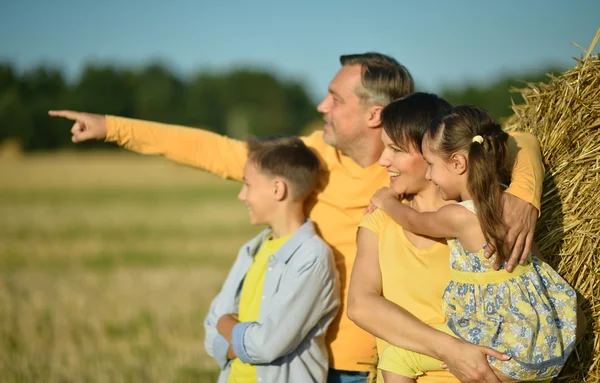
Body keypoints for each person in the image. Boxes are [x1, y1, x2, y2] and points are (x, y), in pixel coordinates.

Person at [48, 52, 545, 382]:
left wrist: (524, 193)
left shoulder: (423, 163)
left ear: (375, 115)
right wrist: (113, 127)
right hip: (305, 364)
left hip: (379, 367)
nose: (320, 105)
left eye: (335, 98)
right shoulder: (313, 160)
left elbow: (516, 138)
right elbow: (219, 152)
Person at [368, 105, 577, 382]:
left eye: (432, 165)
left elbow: (414, 221)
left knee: (397, 356)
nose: (429, 175)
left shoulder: (457, 216)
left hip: (501, 347)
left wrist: (386, 202)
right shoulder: (509, 204)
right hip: (544, 342)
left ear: (457, 163)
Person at [204, 135, 340, 383]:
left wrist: (227, 324)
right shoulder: (251, 250)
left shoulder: (312, 259)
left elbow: (267, 344)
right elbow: (210, 329)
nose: (242, 195)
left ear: (278, 189)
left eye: (248, 185)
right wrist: (233, 334)